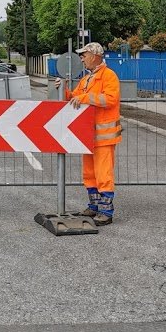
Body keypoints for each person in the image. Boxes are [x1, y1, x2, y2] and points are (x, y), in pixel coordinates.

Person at [55, 42, 122, 225]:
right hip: (87, 136)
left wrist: (83, 98)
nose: (82, 58)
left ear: (94, 56)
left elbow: (110, 99)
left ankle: (106, 212)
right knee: (89, 173)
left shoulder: (108, 76)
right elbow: (74, 97)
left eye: (84, 55)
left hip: (103, 136)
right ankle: (94, 207)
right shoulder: (87, 79)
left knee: (103, 173)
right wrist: (64, 89)